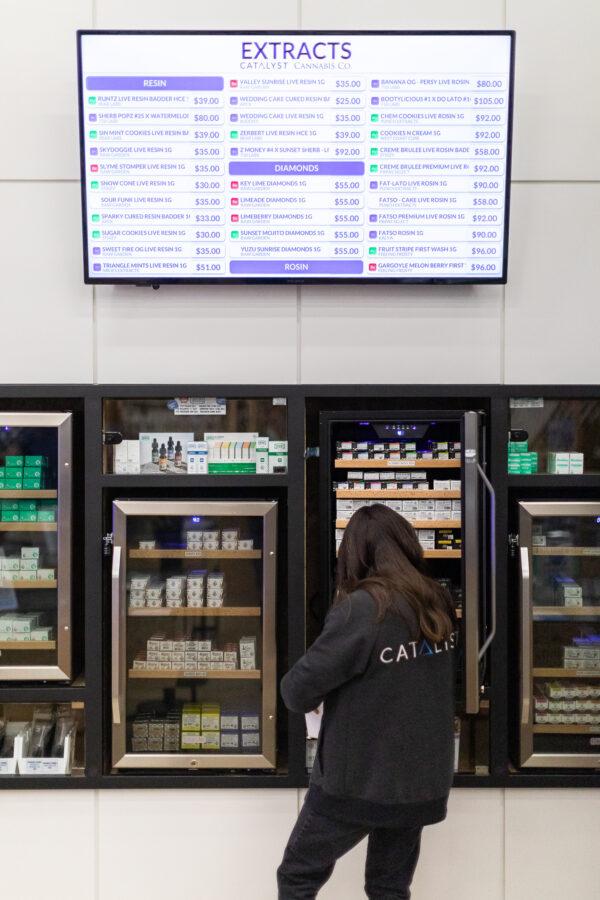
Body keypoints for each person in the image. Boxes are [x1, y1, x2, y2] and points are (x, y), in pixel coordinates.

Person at [277, 502, 458, 899]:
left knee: (297, 875)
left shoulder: (363, 608)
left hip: (358, 780)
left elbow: (296, 690)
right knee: (389, 887)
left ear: (354, 553)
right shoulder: (437, 600)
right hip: (419, 779)